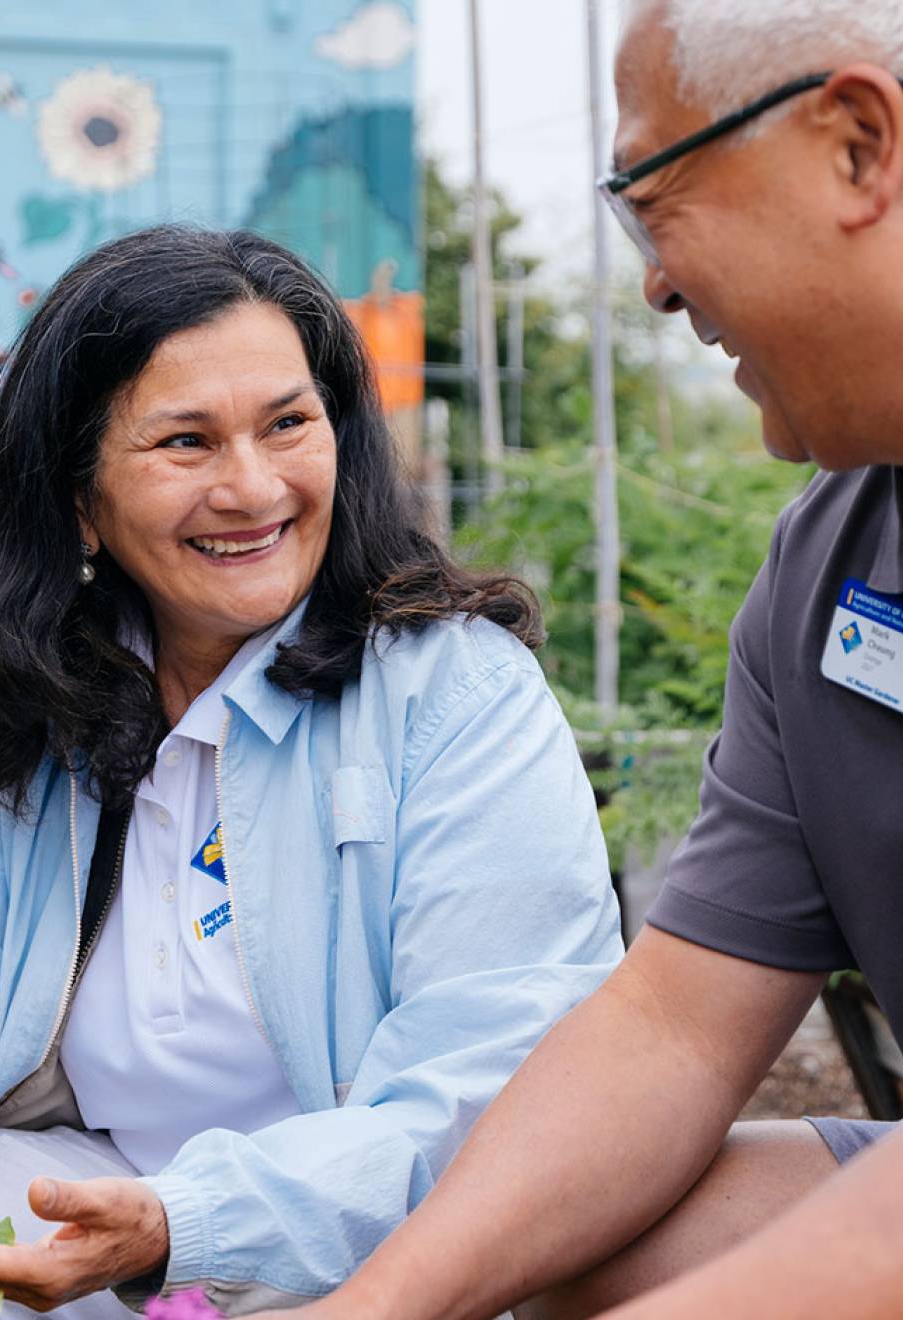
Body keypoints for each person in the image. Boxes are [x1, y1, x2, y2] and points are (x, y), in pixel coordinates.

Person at [0, 225, 621, 1316]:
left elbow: (493, 1091)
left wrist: (184, 1226)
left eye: (289, 424)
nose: (253, 487)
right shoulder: (57, 695)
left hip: (374, 1258)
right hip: (96, 1195)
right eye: (186, 443)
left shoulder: (455, 698)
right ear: (80, 498)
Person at [255, 3, 903, 1318]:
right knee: (570, 1246)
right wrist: (373, 1308)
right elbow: (673, 1023)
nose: (653, 284)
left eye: (655, 201)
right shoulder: (828, 565)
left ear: (858, 146)